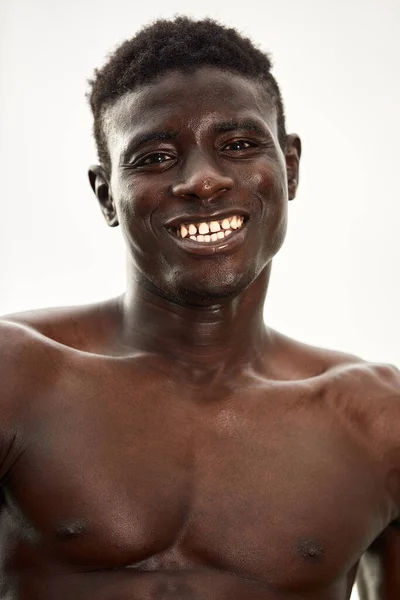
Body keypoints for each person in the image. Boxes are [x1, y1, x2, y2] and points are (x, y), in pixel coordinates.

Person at [0, 16, 398, 600]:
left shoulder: (376, 420)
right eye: (155, 157)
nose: (204, 181)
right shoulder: (16, 376)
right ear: (106, 193)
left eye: (238, 146)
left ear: (289, 166)